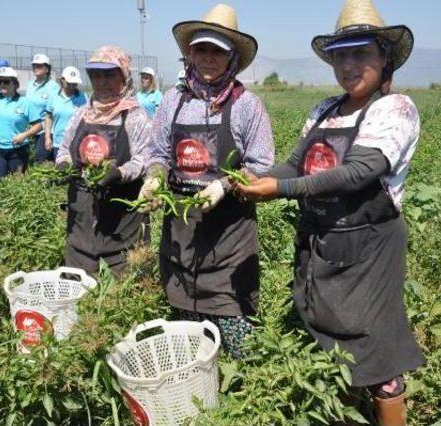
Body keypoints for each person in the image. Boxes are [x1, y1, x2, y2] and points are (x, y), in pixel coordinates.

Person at [235, 0, 424, 423]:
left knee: (378, 354)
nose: (349, 64)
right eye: (341, 54)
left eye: (361, 53)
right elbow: (293, 165)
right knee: (326, 341)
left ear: (384, 59)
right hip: (322, 243)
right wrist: (256, 177)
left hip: (369, 249)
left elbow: (359, 172)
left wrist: (280, 189)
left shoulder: (394, 109)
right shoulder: (324, 109)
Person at [138, 4, 275, 359]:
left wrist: (226, 185)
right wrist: (154, 177)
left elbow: (261, 163)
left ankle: (244, 398)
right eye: (201, 49)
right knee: (190, 334)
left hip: (229, 233)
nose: (209, 58)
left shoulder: (248, 105)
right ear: (190, 53)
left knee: (238, 338)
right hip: (181, 230)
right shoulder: (173, 100)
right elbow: (158, 153)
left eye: (218, 51)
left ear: (232, 57)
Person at [55, 46, 152, 274]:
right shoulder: (81, 113)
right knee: (80, 286)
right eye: (96, 75)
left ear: (124, 76)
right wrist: (63, 164)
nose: (102, 81)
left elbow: (145, 159)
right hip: (81, 218)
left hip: (122, 222)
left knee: (121, 295)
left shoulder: (135, 117)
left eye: (109, 75)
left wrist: (119, 173)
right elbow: (65, 148)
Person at [0, 67, 42, 181]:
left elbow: (39, 125)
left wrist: (24, 135)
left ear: (15, 83)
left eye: (6, 81)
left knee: (16, 183)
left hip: (18, 151)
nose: (2, 84)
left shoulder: (25, 103)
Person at [44, 66, 88, 161]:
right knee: (62, 172)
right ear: (62, 80)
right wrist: (47, 137)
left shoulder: (83, 97)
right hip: (59, 143)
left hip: (78, 143)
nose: (72, 86)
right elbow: (48, 117)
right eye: (69, 83)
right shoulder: (53, 96)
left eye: (74, 84)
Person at [27, 54, 61, 163]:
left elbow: (54, 112)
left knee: (40, 159)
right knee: (31, 160)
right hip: (31, 129)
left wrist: (48, 135)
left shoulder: (53, 87)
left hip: (46, 129)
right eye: (34, 65)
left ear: (47, 68)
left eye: (40, 65)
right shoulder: (30, 85)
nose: (36, 67)